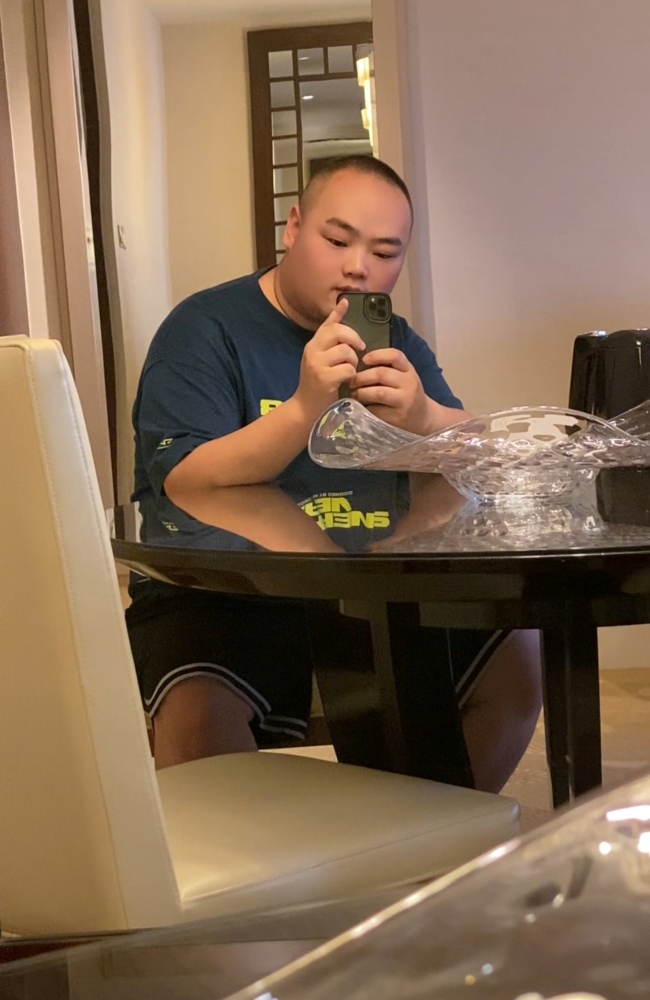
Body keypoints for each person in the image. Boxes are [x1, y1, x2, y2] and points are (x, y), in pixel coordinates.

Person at [127, 155, 542, 791]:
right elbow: (184, 480)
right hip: (225, 590)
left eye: (385, 252)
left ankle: (425, 837)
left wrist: (425, 416)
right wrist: (303, 408)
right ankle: (249, 856)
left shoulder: (392, 339)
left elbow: (479, 454)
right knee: (198, 714)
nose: (358, 267)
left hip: (373, 586)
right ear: (294, 227)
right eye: (337, 240)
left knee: (517, 660)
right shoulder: (204, 328)